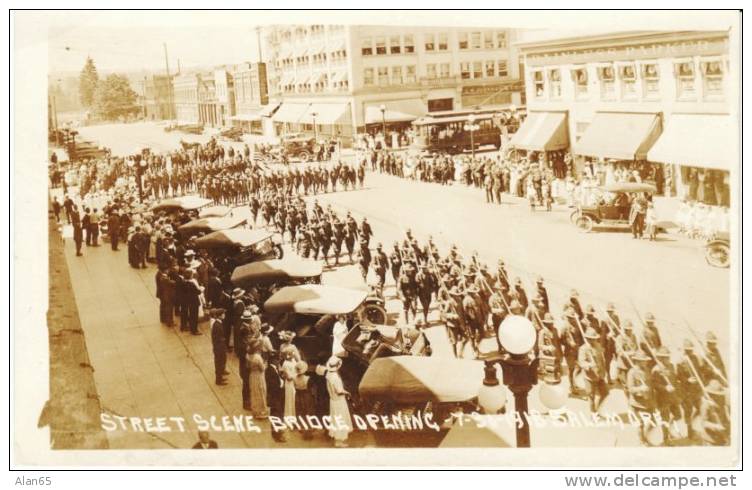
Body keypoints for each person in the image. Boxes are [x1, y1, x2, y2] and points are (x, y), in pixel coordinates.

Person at [578, 327, 609, 412]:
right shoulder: (583, 348)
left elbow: (602, 360)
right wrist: (589, 365)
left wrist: (603, 371)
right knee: (591, 396)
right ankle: (593, 413)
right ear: (587, 339)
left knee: (605, 393)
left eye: (594, 339)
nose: (592, 341)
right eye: (590, 339)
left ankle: (597, 408)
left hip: (599, 375)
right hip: (589, 377)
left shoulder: (598, 346)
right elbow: (581, 362)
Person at [325, 356, 353, 447]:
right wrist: (347, 393)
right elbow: (339, 391)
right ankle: (339, 441)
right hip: (339, 401)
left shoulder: (328, 375)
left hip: (332, 400)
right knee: (341, 419)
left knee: (335, 419)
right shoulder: (335, 377)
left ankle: (337, 439)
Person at [697, 380, 730, 446]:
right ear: (712, 396)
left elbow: (727, 417)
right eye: (718, 395)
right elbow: (703, 423)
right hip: (711, 436)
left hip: (724, 435)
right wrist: (716, 426)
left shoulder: (723, 405)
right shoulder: (706, 405)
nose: (721, 397)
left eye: (722, 395)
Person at [248, 339, 269, 418]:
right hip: (259, 376)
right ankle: (261, 412)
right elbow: (262, 368)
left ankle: (255, 411)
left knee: (254, 393)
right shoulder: (258, 357)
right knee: (261, 392)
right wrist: (265, 364)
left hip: (252, 375)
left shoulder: (249, 355)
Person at [294, 360, 316, 440]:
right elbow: (311, 389)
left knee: (300, 412)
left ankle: (302, 428)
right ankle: (308, 432)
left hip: (298, 396)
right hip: (306, 396)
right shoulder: (308, 379)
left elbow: (295, 387)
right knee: (308, 412)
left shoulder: (295, 378)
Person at [210, 308, 228, 385]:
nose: (224, 315)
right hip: (219, 348)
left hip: (219, 346)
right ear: (220, 316)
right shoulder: (217, 325)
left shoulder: (218, 323)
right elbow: (218, 338)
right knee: (219, 362)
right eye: (223, 314)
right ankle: (218, 380)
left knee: (221, 362)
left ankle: (220, 377)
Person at [280, 347, 298, 419]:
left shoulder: (293, 360)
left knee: (295, 399)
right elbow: (289, 377)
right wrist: (297, 375)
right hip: (290, 384)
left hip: (295, 382)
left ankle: (295, 416)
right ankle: (290, 418)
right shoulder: (285, 364)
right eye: (291, 354)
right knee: (290, 400)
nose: (293, 355)